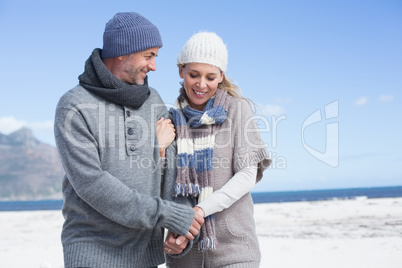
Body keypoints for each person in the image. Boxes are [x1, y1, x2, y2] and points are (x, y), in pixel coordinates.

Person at [54, 12, 203, 268]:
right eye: (149, 56)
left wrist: (179, 231)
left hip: (145, 255)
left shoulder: (152, 100)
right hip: (92, 252)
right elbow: (93, 185)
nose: (154, 66)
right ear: (122, 52)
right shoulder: (74, 107)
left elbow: (172, 170)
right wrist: (155, 150)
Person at [163, 32, 271, 267]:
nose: (202, 84)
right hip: (184, 256)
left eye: (210, 77)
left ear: (221, 76)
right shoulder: (169, 119)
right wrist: (169, 235)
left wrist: (200, 210)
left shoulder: (237, 110)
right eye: (194, 75)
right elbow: (164, 187)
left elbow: (246, 176)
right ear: (181, 71)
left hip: (235, 253)